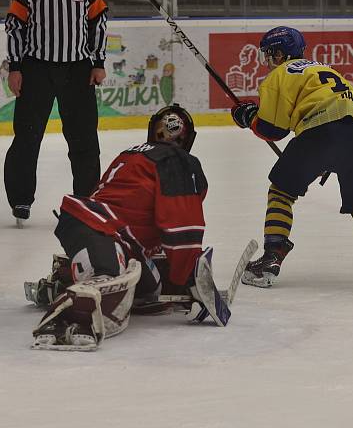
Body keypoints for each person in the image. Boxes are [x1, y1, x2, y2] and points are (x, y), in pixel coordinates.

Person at [230, 26, 353, 288]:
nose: (267, 62)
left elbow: (272, 130)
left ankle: (270, 260)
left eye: (269, 55)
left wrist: (247, 116)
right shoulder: (325, 69)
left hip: (321, 130)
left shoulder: (280, 74)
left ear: (278, 53)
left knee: (281, 193)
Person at [28, 104, 226, 350]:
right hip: (104, 229)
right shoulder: (179, 161)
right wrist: (186, 276)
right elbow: (182, 229)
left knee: (150, 291)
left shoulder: (132, 153)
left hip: (100, 226)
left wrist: (177, 284)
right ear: (188, 138)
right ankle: (66, 320)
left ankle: (64, 278)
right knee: (110, 276)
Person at [3, 0, 108, 225]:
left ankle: (86, 198)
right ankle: (21, 200)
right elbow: (15, 26)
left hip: (78, 69)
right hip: (36, 68)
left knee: (84, 138)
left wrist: (98, 62)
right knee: (27, 137)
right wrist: (15, 67)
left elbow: (98, 21)